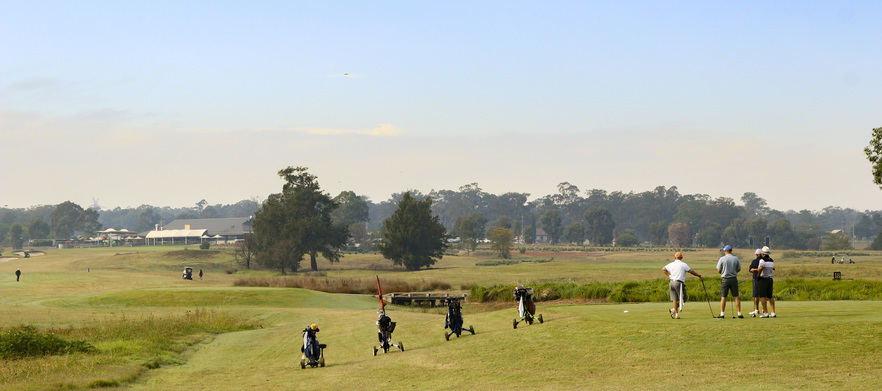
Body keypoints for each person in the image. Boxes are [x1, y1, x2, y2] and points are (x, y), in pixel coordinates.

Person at [662, 252, 703, 319]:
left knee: (674, 299)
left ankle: (676, 313)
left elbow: (663, 269)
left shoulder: (671, 264)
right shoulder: (683, 265)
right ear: (681, 258)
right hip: (679, 283)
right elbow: (691, 271)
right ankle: (674, 311)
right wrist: (699, 275)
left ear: (675, 257)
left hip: (671, 282)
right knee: (684, 298)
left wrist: (669, 275)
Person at [716, 245, 743, 318]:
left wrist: (723, 272)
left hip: (725, 279)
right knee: (736, 296)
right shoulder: (736, 258)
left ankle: (722, 314)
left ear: (725, 251)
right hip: (734, 278)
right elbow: (739, 269)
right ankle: (739, 313)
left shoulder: (722, 259)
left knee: (723, 297)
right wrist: (734, 272)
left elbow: (719, 270)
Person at [756, 246, 776, 318]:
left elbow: (761, 268)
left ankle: (766, 313)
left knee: (763, 296)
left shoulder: (762, 260)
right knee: (770, 296)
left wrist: (758, 275)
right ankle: (773, 312)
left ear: (763, 254)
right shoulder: (771, 260)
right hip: (770, 279)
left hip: (763, 279)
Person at [748, 249, 763, 317]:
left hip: (756, 278)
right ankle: (764, 309)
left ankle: (756, 309)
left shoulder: (755, 261)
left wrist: (755, 269)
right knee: (763, 295)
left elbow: (750, 270)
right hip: (764, 279)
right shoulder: (764, 260)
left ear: (757, 254)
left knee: (756, 295)